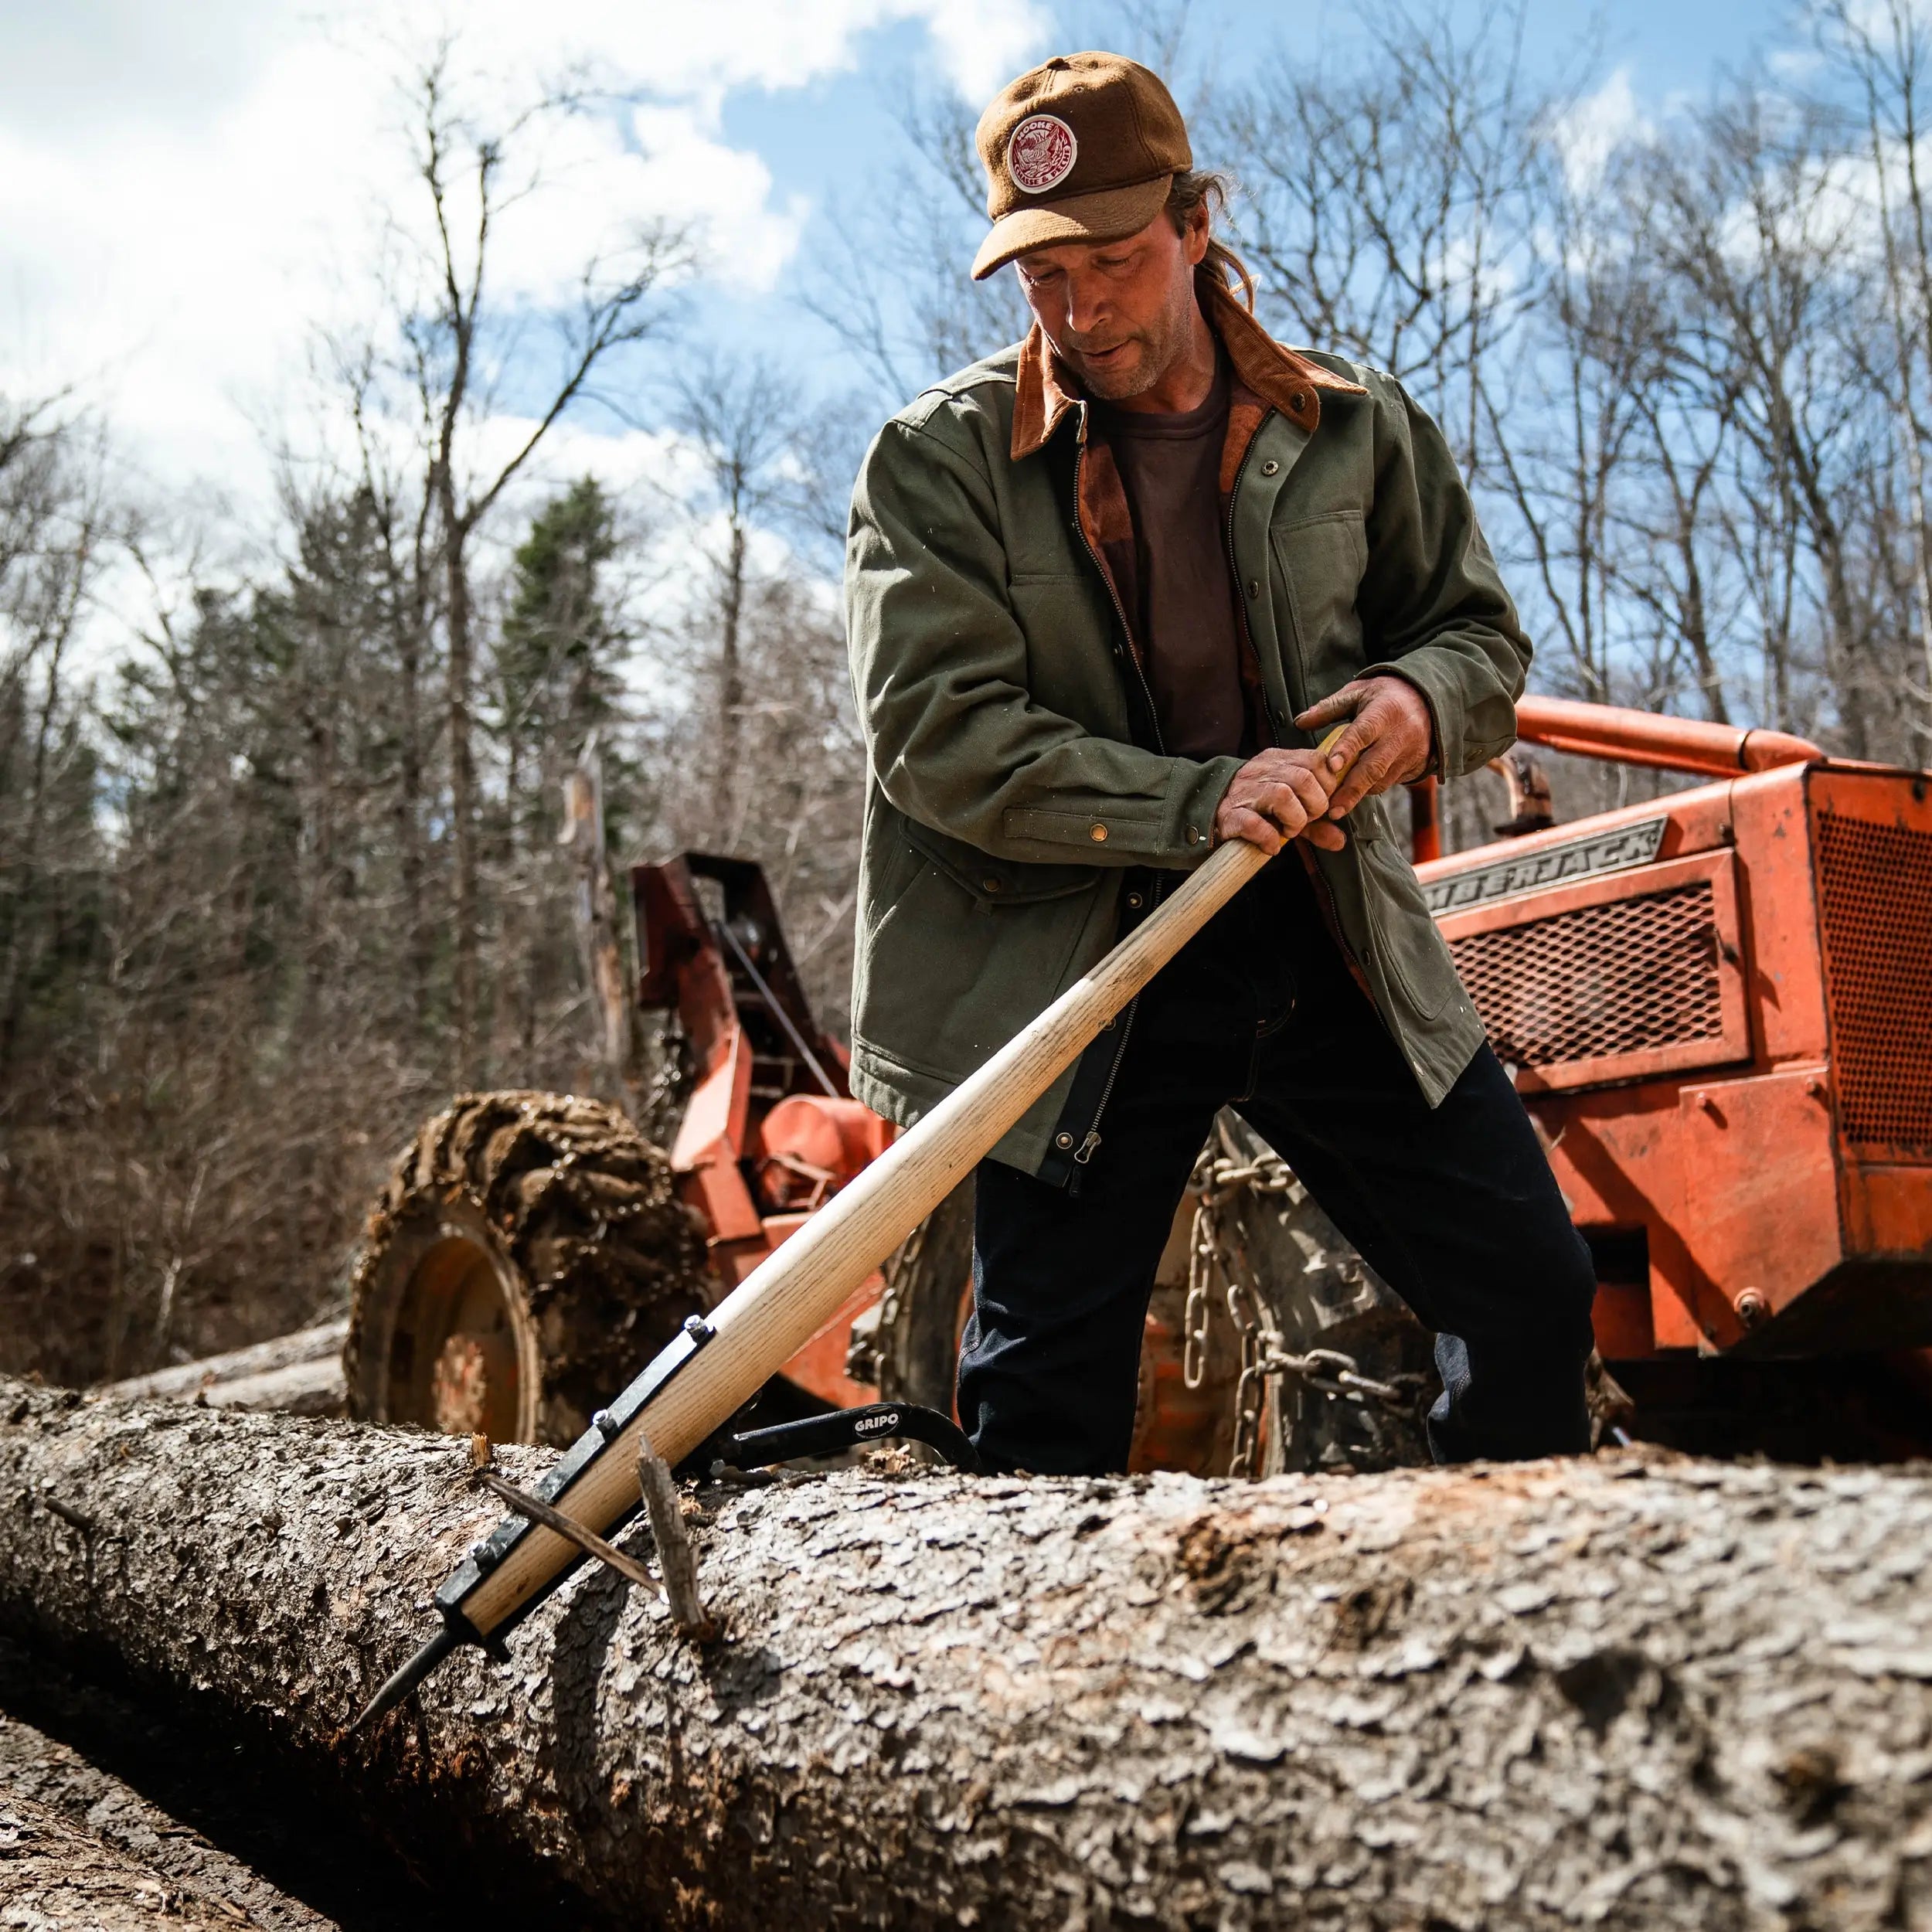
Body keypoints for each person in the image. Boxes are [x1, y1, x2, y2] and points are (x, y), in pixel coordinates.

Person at [843, 50, 1597, 1475]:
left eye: (1116, 261)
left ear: (1196, 222)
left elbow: (1477, 640)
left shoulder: (1354, 425)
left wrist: (1416, 706)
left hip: (1328, 937)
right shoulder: (935, 465)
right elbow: (936, 741)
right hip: (1086, 966)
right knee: (1043, 1407)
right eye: (1041, 279)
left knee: (1533, 1303)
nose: (1082, 310)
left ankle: (1477, 1636)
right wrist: (1199, 799)